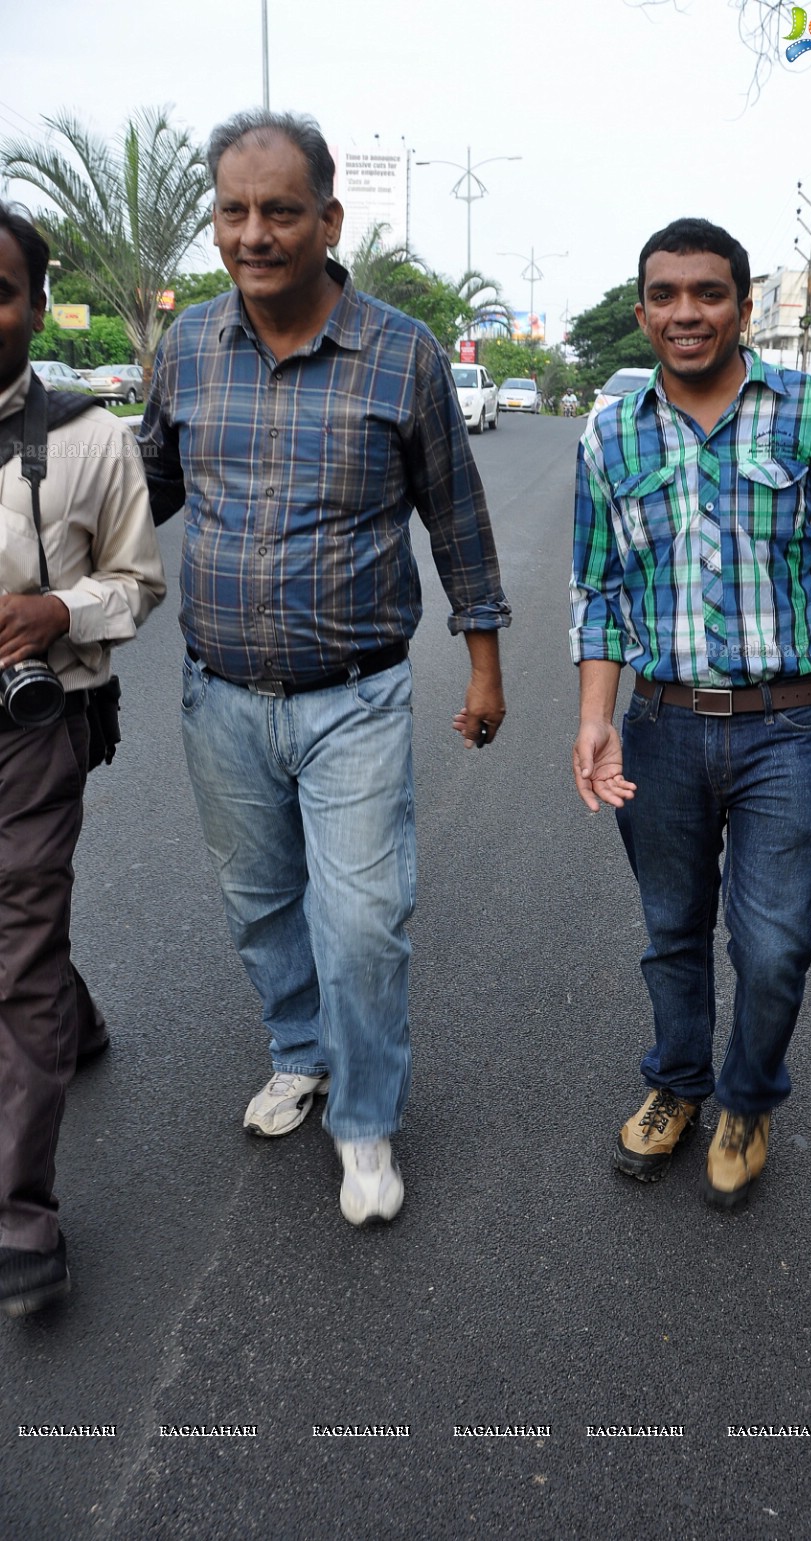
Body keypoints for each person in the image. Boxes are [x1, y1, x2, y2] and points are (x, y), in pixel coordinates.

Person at [139, 110, 509, 1227]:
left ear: (328, 219)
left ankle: (365, 1119)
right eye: (234, 212)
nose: (256, 233)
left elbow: (459, 521)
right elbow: (141, 494)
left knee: (361, 916)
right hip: (220, 695)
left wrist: (484, 667)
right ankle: (299, 1051)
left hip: (355, 695)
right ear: (215, 223)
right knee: (261, 903)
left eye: (281, 211)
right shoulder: (190, 347)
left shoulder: (403, 353)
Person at [571, 217, 811, 1209]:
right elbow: (596, 592)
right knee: (671, 928)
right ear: (643, 314)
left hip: (783, 730)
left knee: (775, 944)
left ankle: (748, 1096)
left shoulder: (809, 416)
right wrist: (595, 717)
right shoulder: (610, 432)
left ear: (743, 304)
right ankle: (677, 1083)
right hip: (660, 726)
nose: (687, 312)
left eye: (708, 293)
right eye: (666, 295)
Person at [0, 203, 165, 1317]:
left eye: (1, 287)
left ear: (31, 299)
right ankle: (75, 1008)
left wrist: (59, 607)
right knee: (29, 949)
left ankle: (19, 1213)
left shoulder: (91, 437)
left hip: (31, 728)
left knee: (14, 954)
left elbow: (140, 582)